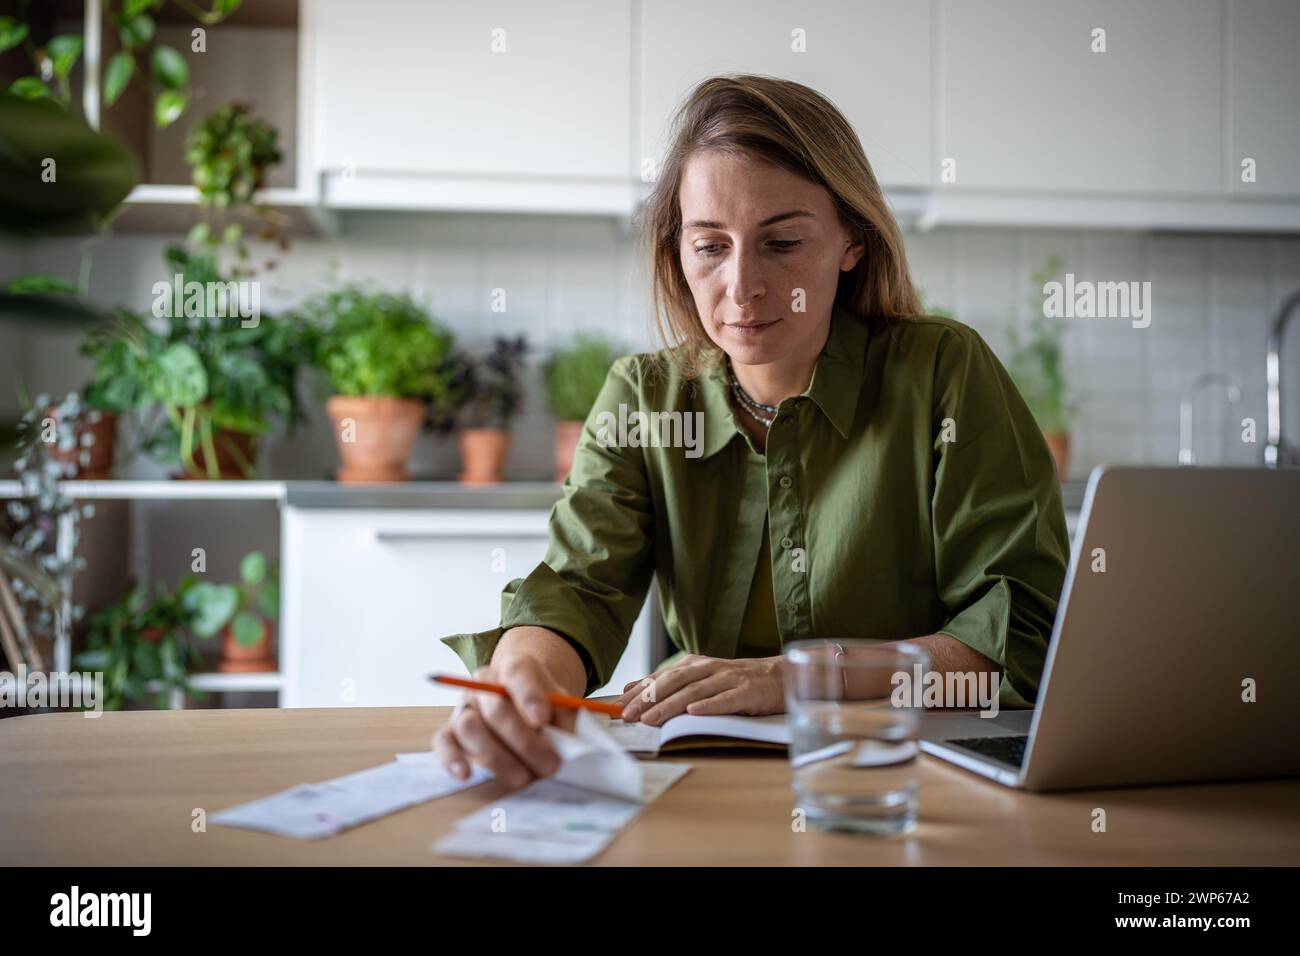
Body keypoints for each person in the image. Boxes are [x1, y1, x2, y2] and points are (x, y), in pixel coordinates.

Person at [432, 74, 1070, 788]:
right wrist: (520, 676)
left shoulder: (944, 372)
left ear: (851, 241)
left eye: (783, 242)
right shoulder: (644, 398)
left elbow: (1021, 636)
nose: (742, 287)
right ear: (679, 249)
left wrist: (796, 678)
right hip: (704, 776)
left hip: (898, 778)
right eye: (710, 246)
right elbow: (580, 588)